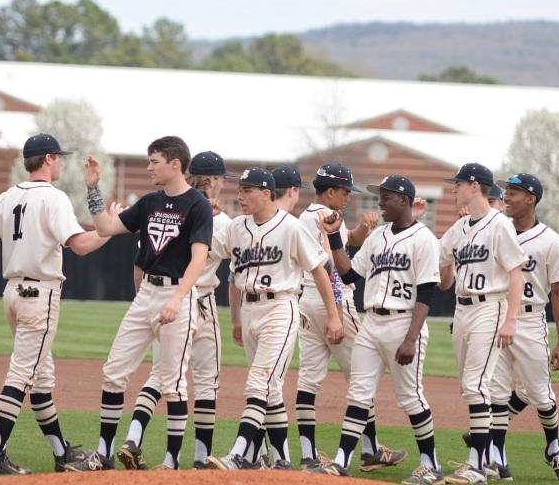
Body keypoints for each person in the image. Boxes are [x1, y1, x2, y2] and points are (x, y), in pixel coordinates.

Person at [0, 133, 111, 475]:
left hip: (12, 294)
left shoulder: (7, 197)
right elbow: (81, 245)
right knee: (22, 376)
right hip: (38, 296)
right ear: (46, 159)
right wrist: (110, 230)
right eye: (58, 157)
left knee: (41, 379)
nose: (61, 162)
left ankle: (61, 453)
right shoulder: (53, 199)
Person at [85, 136, 213, 470]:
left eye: (154, 161)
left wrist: (178, 297)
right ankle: (104, 453)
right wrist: (93, 189)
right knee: (113, 372)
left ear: (175, 163)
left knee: (172, 383)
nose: (148, 167)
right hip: (147, 294)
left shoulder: (197, 205)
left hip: (177, 295)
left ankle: (171, 462)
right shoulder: (150, 201)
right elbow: (104, 227)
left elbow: (199, 257)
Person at [203, 167, 344, 470]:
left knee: (259, 383)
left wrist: (333, 315)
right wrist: (207, 214)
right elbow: (210, 250)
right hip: (250, 308)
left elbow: (320, 269)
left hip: (280, 307)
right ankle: (282, 461)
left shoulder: (290, 227)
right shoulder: (236, 227)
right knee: (272, 389)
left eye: (248, 190)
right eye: (239, 190)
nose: (240, 196)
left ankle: (239, 453)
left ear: (267, 194)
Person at [312, 175, 443, 484]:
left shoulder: (424, 239)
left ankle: (431, 464)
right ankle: (342, 461)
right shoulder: (378, 236)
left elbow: (426, 294)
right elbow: (347, 274)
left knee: (410, 397)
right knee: (358, 394)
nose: (381, 201)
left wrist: (411, 339)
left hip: (404, 322)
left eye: (387, 196)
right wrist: (333, 237)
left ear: (405, 200)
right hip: (372, 323)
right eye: (380, 196)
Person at [128, 150, 235, 469]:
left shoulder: (166, 213)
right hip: (200, 303)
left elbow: (139, 266)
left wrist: (146, 304)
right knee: (206, 381)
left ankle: (133, 436)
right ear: (213, 181)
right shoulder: (223, 222)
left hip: (164, 302)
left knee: (161, 376)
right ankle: (200, 459)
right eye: (220, 179)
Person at [296, 163, 404, 472]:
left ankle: (308, 454)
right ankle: (370, 450)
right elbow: (328, 269)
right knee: (362, 377)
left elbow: (342, 243)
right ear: (330, 191)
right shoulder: (323, 217)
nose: (347, 197)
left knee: (308, 378)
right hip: (333, 300)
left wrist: (361, 231)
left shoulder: (314, 216)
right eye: (344, 192)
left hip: (308, 301)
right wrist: (335, 314)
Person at [437, 163, 527, 485]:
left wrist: (511, 319)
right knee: (470, 386)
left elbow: (515, 272)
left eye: (458, 183)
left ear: (474, 186)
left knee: (477, 385)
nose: (454, 188)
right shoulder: (458, 228)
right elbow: (444, 277)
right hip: (461, 312)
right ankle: (487, 463)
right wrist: (445, 267)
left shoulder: (499, 224)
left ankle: (475, 466)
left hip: (490, 308)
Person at [485, 173, 559, 482]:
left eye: (514, 191)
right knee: (496, 393)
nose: (507, 196)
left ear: (531, 198)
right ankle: (497, 457)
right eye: (506, 191)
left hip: (530, 319)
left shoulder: (550, 240)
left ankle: (553, 448)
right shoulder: (496, 230)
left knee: (540, 394)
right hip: (497, 315)